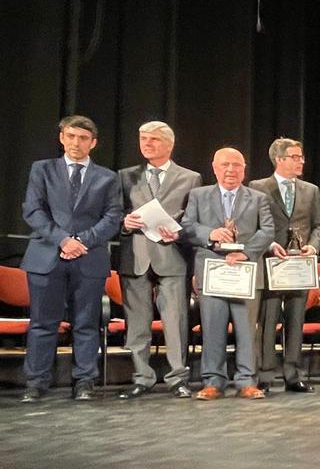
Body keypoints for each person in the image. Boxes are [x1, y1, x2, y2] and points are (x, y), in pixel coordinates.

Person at [19, 115, 123, 403]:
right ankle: (36, 382)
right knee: (42, 323)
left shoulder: (107, 177)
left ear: (94, 142)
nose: (76, 143)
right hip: (46, 256)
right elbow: (33, 210)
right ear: (62, 138)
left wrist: (81, 241)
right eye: (71, 136)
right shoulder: (42, 170)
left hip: (89, 258)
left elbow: (113, 217)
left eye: (83, 138)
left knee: (86, 323)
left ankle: (84, 381)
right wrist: (63, 239)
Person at [115, 121, 202, 400]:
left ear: (169, 144)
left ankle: (178, 378)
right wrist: (124, 222)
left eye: (153, 139)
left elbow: (193, 218)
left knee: (175, 320)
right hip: (137, 256)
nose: (147, 144)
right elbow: (115, 214)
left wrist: (178, 230)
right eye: (143, 138)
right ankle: (142, 377)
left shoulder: (190, 177)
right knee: (137, 322)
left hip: (172, 256)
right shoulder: (125, 176)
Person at [181, 148, 274, 400]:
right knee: (212, 328)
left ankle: (246, 381)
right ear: (214, 167)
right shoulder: (198, 195)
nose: (230, 170)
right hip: (213, 271)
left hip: (245, 271)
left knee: (246, 330)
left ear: (244, 169)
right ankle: (213, 381)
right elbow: (187, 227)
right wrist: (210, 234)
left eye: (236, 165)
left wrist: (247, 252)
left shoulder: (258, 197)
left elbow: (267, 231)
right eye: (225, 165)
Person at [248, 137, 320, 394]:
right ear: (279, 159)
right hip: (272, 262)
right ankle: (266, 374)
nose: (301, 161)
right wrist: (269, 245)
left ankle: (293, 374)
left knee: (296, 320)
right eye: (295, 157)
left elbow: (319, 225)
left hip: (299, 264)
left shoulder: (311, 190)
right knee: (268, 320)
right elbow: (254, 223)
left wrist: (312, 246)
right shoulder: (258, 187)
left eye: (301, 157)